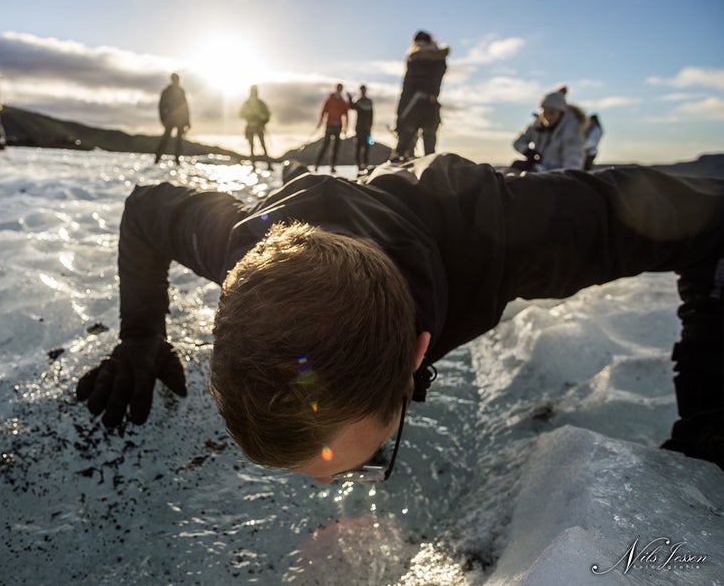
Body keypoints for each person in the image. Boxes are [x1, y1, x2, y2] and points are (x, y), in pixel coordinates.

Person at [76, 154, 724, 481]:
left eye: (359, 456)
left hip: (457, 208)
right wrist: (140, 334)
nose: (330, 481)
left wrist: (704, 423)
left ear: (419, 352)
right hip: (322, 210)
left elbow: (711, 223)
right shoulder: (238, 243)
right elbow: (145, 209)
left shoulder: (518, 236)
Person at [392, 30, 448, 162]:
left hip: (416, 106)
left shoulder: (416, 58)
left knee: (405, 143)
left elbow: (407, 88)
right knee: (427, 145)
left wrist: (400, 114)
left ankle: (396, 165)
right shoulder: (438, 58)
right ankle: (429, 170)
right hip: (426, 104)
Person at [512, 89, 586, 172]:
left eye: (551, 112)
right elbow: (518, 142)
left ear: (560, 113)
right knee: (515, 168)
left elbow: (572, 168)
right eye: (544, 112)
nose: (547, 117)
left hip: (556, 178)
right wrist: (528, 152)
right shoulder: (536, 126)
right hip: (537, 171)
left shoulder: (572, 132)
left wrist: (557, 179)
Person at [154, 73, 190, 165]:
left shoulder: (181, 91)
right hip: (170, 119)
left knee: (179, 140)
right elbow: (161, 106)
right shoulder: (167, 91)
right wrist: (163, 119)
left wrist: (188, 121)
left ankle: (177, 160)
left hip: (181, 120)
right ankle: (157, 158)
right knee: (166, 138)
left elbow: (185, 106)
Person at [313, 83, 349, 173]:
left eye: (340, 88)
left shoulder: (343, 102)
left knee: (336, 147)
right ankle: (317, 165)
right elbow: (323, 111)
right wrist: (320, 122)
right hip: (330, 125)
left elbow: (346, 115)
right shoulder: (329, 100)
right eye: (338, 88)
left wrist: (345, 128)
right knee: (325, 145)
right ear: (336, 88)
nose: (339, 90)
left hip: (338, 126)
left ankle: (332, 166)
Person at [239, 85, 271, 168]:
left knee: (261, 146)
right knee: (252, 146)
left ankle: (266, 165)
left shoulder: (258, 103)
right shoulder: (250, 103)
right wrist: (250, 116)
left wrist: (262, 119)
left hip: (258, 127)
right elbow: (241, 114)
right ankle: (255, 165)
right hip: (251, 127)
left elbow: (267, 115)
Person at [348, 84, 374, 172]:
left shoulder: (369, 101)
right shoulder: (357, 101)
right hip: (359, 127)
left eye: (364, 90)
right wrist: (349, 98)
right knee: (358, 146)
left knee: (367, 146)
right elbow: (351, 107)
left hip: (367, 128)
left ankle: (366, 164)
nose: (363, 91)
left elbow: (371, 115)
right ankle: (359, 165)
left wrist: (370, 126)